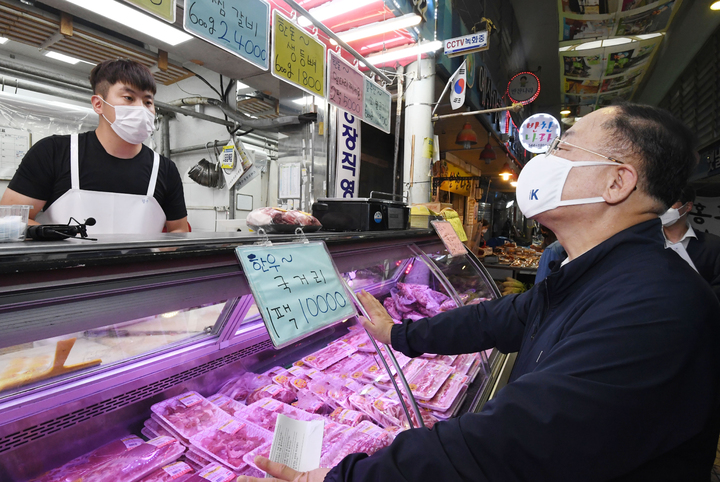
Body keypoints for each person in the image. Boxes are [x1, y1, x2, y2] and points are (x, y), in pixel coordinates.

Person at [238, 104, 720, 482]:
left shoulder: (656, 306)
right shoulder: (596, 274)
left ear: (618, 182)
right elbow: (500, 318)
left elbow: (512, 443)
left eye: (565, 150)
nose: (544, 162)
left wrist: (344, 478)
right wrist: (398, 333)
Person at [0, 59, 188, 234]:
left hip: (143, 270)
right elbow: (9, 218)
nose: (141, 109)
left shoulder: (164, 169)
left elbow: (178, 232)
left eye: (148, 102)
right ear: (98, 104)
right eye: (129, 98)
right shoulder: (54, 152)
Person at [661, 185, 720, 298]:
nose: (664, 207)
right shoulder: (647, 243)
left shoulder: (713, 246)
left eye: (671, 202)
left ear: (688, 206)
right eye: (662, 201)